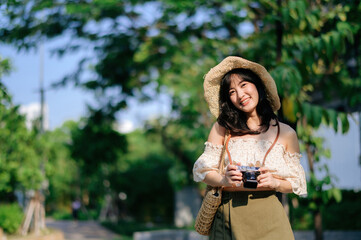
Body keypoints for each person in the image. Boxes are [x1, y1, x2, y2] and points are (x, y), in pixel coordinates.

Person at [193, 56, 307, 240]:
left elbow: (296, 183)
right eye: (232, 91)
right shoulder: (221, 128)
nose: (240, 95)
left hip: (271, 216)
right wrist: (224, 179)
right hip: (228, 215)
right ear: (228, 99)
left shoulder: (286, 133)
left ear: (257, 86)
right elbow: (202, 170)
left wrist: (275, 182)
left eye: (244, 85)